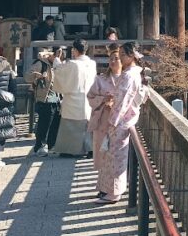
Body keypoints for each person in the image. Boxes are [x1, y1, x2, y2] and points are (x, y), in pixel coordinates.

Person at [94, 42, 146, 204]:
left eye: (123, 54)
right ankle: (109, 190)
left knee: (116, 159)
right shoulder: (132, 73)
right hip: (124, 119)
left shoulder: (130, 75)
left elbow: (123, 101)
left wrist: (113, 121)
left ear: (132, 56)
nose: (121, 58)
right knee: (113, 157)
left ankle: (114, 193)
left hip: (121, 121)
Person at [49, 39, 95, 157]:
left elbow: (59, 71)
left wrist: (56, 59)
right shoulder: (92, 63)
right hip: (88, 98)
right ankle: (90, 149)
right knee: (87, 126)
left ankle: (71, 150)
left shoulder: (73, 64)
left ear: (74, 50)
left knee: (71, 126)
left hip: (73, 98)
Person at [87, 50, 122, 198]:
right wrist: (103, 99)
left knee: (115, 156)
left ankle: (113, 188)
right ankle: (103, 187)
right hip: (103, 119)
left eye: (117, 58)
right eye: (111, 58)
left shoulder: (125, 79)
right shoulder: (100, 79)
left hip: (118, 121)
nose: (113, 61)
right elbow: (90, 96)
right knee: (102, 154)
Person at [26, 47, 61, 156]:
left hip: (56, 97)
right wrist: (37, 75)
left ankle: (52, 145)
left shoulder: (57, 65)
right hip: (45, 98)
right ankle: (39, 146)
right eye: (57, 55)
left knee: (55, 122)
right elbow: (27, 76)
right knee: (44, 123)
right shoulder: (41, 64)